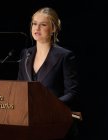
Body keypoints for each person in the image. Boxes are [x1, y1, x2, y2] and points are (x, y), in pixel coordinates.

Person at [17, 7, 82, 139]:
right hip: (30, 123)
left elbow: (72, 93)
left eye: (43, 24)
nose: (37, 28)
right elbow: (19, 88)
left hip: (55, 123)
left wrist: (49, 106)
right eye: (34, 24)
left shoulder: (65, 56)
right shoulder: (26, 54)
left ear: (53, 29)